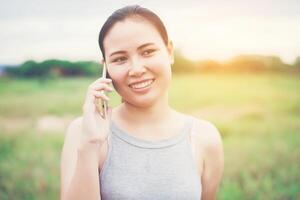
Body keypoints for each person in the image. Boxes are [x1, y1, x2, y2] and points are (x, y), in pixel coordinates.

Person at [60, 5, 224, 200]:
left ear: (169, 51)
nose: (136, 69)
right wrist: (90, 145)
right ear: (106, 68)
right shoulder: (83, 132)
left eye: (147, 52)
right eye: (120, 59)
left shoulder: (204, 137)